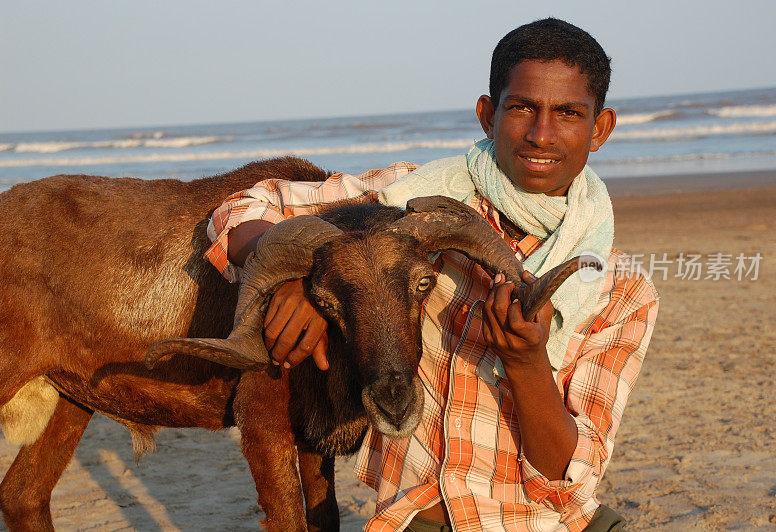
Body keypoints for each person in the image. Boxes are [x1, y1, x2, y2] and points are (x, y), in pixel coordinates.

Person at [205, 18, 658, 531]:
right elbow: (239, 211)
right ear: (488, 115)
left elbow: (568, 473)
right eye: (522, 107)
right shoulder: (404, 207)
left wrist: (528, 363)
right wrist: (308, 276)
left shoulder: (621, 290)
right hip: (417, 518)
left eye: (569, 113)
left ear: (599, 129)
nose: (541, 133)